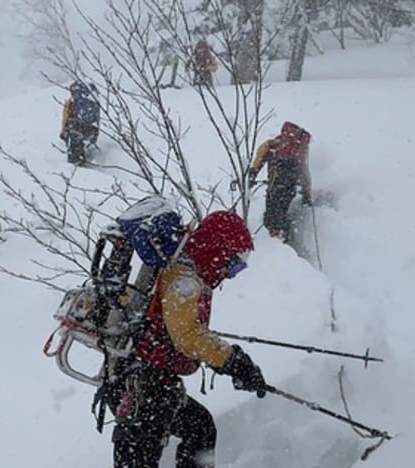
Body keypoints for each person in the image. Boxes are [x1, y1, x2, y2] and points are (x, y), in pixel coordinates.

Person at [110, 210, 267, 468]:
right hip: (145, 385)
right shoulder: (184, 279)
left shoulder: (186, 270)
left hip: (148, 381)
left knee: (200, 428)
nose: (232, 272)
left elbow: (177, 328)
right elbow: (187, 336)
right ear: (218, 249)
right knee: (147, 454)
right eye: (235, 262)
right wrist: (233, 361)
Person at [248, 122, 312, 240]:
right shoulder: (298, 152)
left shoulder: (274, 144)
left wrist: (253, 173)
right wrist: (306, 194)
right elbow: (305, 174)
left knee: (272, 213)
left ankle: (273, 239)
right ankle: (283, 236)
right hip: (290, 185)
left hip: (276, 181)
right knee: (282, 211)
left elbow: (261, 155)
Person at [59, 81, 100, 164]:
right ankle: (88, 157)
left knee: (75, 154)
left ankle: (77, 166)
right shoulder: (94, 101)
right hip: (92, 129)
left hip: (76, 128)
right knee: (84, 142)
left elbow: (66, 118)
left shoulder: (71, 103)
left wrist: (63, 133)